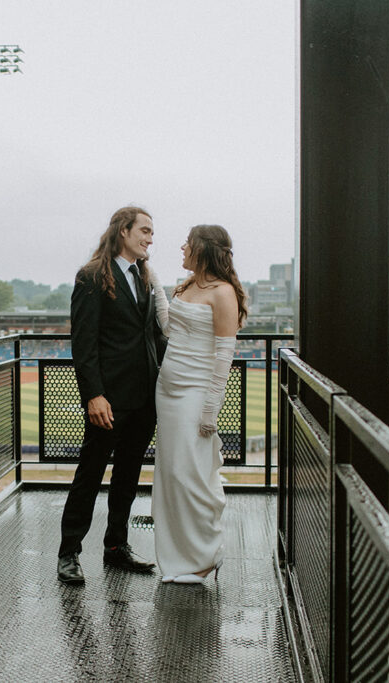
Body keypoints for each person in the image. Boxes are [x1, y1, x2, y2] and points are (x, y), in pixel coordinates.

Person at [57, 206, 165, 584]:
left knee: (128, 477)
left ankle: (116, 547)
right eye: (145, 231)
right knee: (89, 475)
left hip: (144, 399)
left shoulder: (145, 277)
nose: (151, 238)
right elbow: (83, 344)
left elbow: (152, 336)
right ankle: (68, 553)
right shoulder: (91, 276)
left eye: (152, 233)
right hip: (109, 400)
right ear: (123, 231)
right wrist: (94, 396)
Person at [147, 224, 247, 584]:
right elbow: (170, 329)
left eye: (187, 243)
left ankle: (205, 555)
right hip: (168, 389)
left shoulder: (223, 293)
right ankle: (176, 556)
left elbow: (224, 356)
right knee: (171, 473)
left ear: (204, 249)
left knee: (192, 476)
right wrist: (157, 286)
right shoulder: (186, 286)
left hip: (195, 393)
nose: (182, 248)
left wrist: (210, 410)